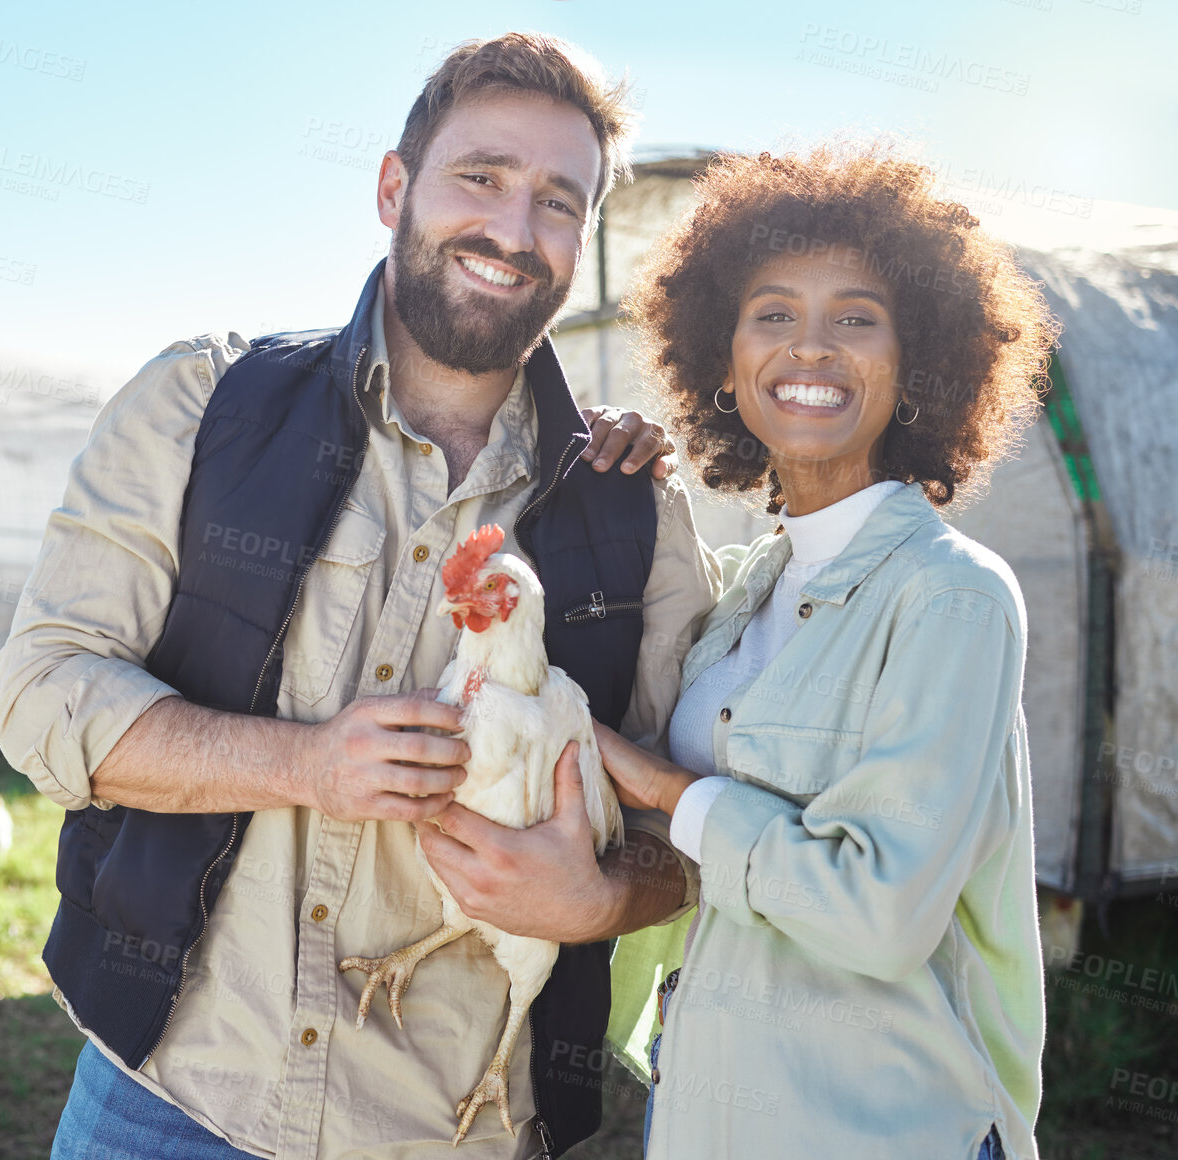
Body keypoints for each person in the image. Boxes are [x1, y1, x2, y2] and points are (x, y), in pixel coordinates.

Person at [0, 31, 723, 1160]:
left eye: (556, 202)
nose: (512, 229)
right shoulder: (204, 406)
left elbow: (691, 827)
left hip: (449, 1128)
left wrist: (594, 905)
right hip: (171, 1099)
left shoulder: (638, 514)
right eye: (478, 177)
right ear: (394, 186)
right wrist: (303, 763)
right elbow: (43, 694)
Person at [434, 144, 1053, 1159]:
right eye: (771, 314)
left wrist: (664, 787)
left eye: (855, 317)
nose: (808, 348)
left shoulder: (952, 594)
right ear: (723, 361)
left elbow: (879, 915)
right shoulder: (752, 588)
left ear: (917, 360)